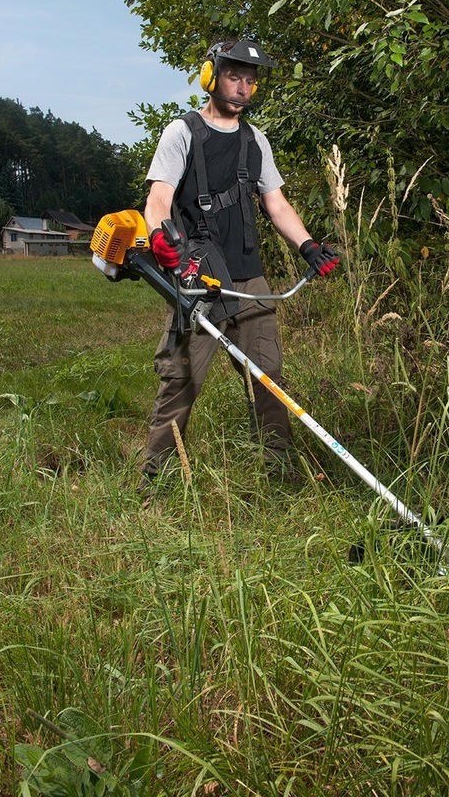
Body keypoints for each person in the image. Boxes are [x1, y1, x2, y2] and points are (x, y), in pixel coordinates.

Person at [141, 38, 339, 489]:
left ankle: (280, 476)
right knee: (180, 384)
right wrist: (160, 236)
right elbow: (159, 199)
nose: (243, 87)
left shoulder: (255, 141)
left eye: (251, 80)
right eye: (234, 76)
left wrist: (308, 246)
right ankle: (155, 482)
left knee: (270, 381)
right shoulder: (182, 133)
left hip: (251, 283)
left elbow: (278, 204)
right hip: (200, 282)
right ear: (210, 76)